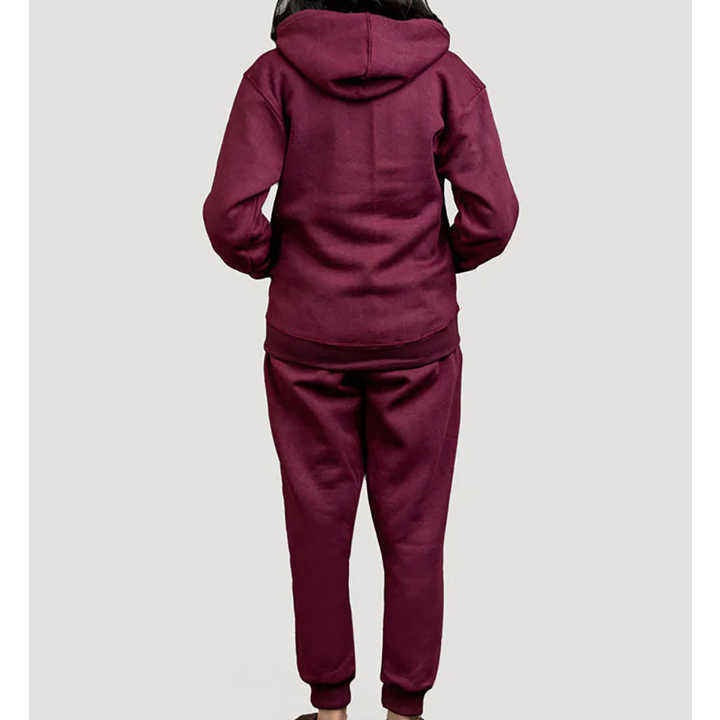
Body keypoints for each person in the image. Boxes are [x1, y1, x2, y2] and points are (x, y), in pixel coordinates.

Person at [203, 1, 518, 718]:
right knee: (416, 528)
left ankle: (329, 708)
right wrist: (434, 264)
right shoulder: (447, 77)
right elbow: (495, 215)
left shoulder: (274, 77)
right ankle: (404, 708)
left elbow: (229, 216)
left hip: (307, 339)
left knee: (316, 522)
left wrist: (281, 265)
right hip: (418, 341)